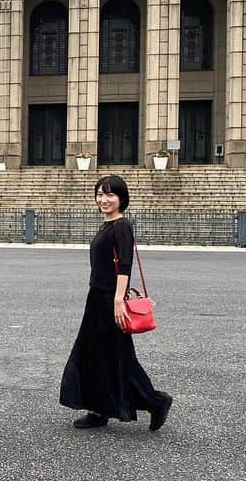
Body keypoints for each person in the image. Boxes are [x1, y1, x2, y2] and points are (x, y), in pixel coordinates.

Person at [59, 174, 173, 431]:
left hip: (110, 299)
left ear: (122, 198)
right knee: (98, 354)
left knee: (116, 355)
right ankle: (100, 408)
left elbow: (124, 265)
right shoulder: (107, 225)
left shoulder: (121, 226)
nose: (104, 199)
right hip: (98, 296)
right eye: (100, 194)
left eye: (110, 194)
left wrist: (118, 301)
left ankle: (155, 402)